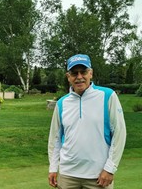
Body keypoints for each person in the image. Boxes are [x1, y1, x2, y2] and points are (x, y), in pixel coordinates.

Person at [48, 54, 126, 189]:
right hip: (68, 175)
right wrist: (53, 167)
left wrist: (110, 168)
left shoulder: (107, 96)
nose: (79, 77)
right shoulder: (61, 103)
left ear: (91, 73)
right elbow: (55, 139)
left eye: (83, 72)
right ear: (68, 77)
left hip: (98, 176)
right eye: (74, 73)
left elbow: (119, 133)